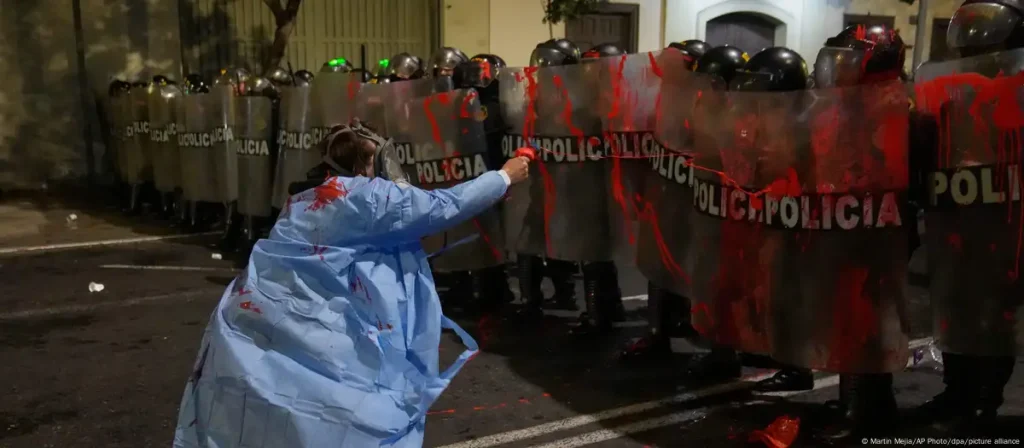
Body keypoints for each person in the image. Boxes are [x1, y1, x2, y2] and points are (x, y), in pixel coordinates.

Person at [174, 121, 532, 447]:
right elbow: (444, 205)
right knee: (360, 408)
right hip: (338, 329)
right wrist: (504, 176)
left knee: (288, 404)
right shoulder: (368, 196)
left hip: (283, 318)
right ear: (366, 163)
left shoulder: (303, 199)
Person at [913, 0, 1022, 431]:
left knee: (996, 312)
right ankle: (956, 393)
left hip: (1007, 220)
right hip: (958, 215)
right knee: (957, 307)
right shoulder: (951, 89)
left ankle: (983, 402)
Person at [811, 24, 907, 439]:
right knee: (848, 315)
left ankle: (863, 412)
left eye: (845, 60)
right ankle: (866, 403)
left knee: (864, 317)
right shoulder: (857, 104)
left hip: (875, 227)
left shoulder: (895, 106)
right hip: (851, 221)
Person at [622, 40, 709, 362]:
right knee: (660, 265)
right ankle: (659, 332)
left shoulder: (708, 103)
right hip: (668, 195)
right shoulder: (664, 100)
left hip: (697, 201)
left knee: (698, 268)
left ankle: (699, 330)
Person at [516, 38, 586, 318]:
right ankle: (531, 300)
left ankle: (565, 294)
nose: (541, 69)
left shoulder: (579, 99)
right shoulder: (536, 97)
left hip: (567, 182)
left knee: (559, 240)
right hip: (540, 179)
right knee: (528, 239)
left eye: (548, 63)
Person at [454, 53, 517, 311]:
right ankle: (483, 290)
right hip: (475, 171)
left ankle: (497, 291)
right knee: (479, 231)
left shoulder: (502, 101)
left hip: (497, 169)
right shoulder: (464, 100)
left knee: (493, 231)